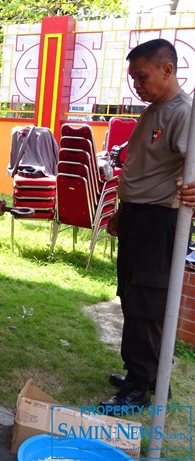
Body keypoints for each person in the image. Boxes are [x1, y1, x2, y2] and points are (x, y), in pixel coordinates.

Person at [102, 38, 194, 413]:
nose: (136, 86)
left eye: (142, 77)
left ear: (167, 70)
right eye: (133, 79)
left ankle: (141, 387)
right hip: (139, 216)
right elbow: (144, 166)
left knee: (147, 303)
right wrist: (123, 210)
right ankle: (143, 375)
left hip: (161, 221)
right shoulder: (156, 108)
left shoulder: (183, 112)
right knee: (131, 295)